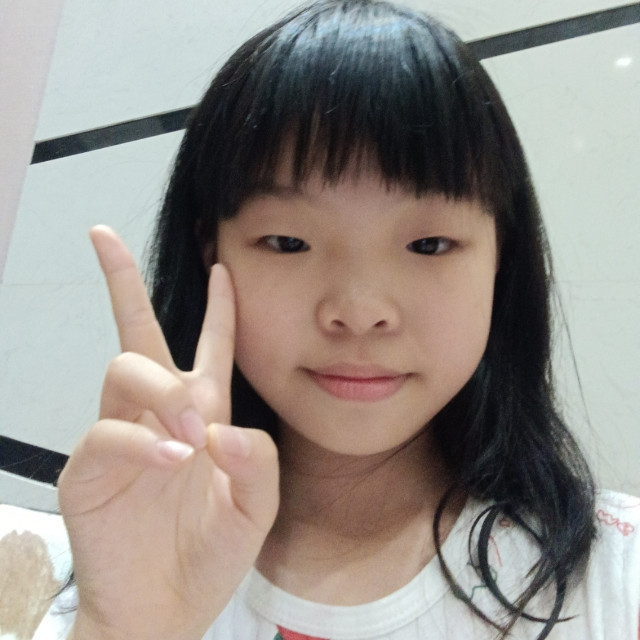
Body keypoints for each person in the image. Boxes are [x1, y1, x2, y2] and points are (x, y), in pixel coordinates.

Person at [35, 1, 640, 639]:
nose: (358, 312)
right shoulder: (119, 568)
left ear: (500, 259)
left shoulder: (616, 581)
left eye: (428, 244)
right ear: (211, 254)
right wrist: (129, 627)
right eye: (289, 243)